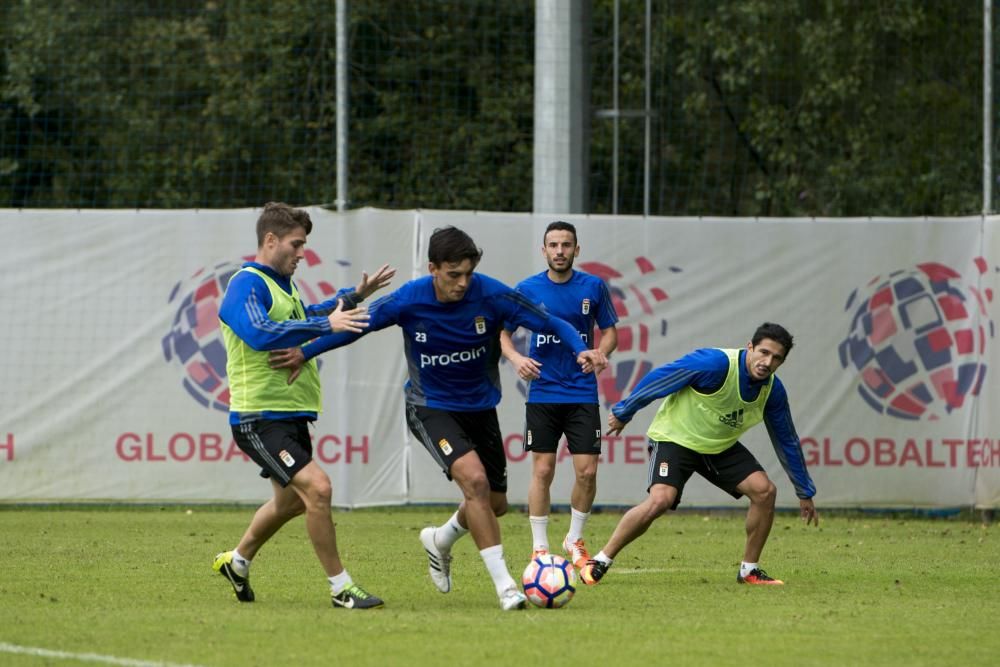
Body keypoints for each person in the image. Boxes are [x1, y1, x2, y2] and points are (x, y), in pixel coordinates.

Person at [269, 226, 608, 610]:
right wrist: (305, 353)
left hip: (480, 408)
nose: (463, 283)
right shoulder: (409, 299)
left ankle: (441, 539)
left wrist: (582, 349)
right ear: (432, 268)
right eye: (453, 275)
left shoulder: (493, 293)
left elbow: (554, 323)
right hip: (430, 406)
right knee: (475, 482)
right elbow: (356, 327)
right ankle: (506, 587)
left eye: (468, 273)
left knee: (494, 503)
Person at [212, 202, 395, 610]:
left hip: (289, 414)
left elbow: (311, 313)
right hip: (258, 417)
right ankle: (341, 588)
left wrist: (354, 296)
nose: (302, 253)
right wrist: (325, 325)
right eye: (296, 245)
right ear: (270, 240)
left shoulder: (283, 285)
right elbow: (259, 332)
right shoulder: (246, 283)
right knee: (319, 488)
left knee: (291, 501)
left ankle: (237, 561)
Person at [580, 322, 819, 587]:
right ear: (749, 347)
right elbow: (663, 377)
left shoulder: (772, 390)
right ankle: (601, 559)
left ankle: (749, 570)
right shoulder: (715, 364)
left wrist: (804, 491)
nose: (767, 362)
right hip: (675, 438)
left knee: (765, 492)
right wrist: (626, 410)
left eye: (776, 358)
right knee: (660, 500)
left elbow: (787, 440)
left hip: (718, 447)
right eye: (763, 352)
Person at [499, 221, 618, 570]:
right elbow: (502, 334)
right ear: (544, 250)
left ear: (576, 250)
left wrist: (599, 353)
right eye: (553, 245)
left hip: (581, 391)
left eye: (567, 245)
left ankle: (574, 539)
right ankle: (539, 549)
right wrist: (517, 358)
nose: (560, 251)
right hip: (543, 392)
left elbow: (610, 334)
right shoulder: (527, 289)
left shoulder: (593, 287)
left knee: (587, 473)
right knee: (543, 469)